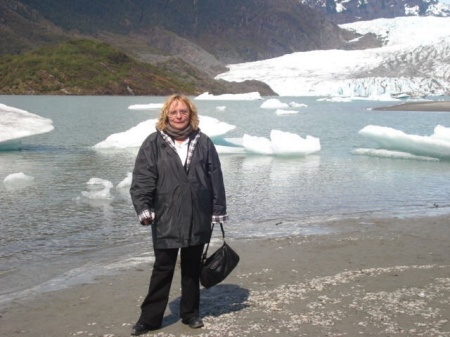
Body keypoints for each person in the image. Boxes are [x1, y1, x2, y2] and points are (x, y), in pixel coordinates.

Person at [129, 94, 228, 336]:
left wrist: (218, 210)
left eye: (183, 111)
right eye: (174, 112)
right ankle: (150, 319)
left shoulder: (204, 142)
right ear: (166, 115)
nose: (179, 116)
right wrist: (143, 208)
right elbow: (143, 178)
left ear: (190, 114)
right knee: (163, 267)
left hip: (198, 213)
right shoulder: (153, 143)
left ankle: (190, 313)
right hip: (165, 215)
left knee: (192, 267)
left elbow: (215, 177)